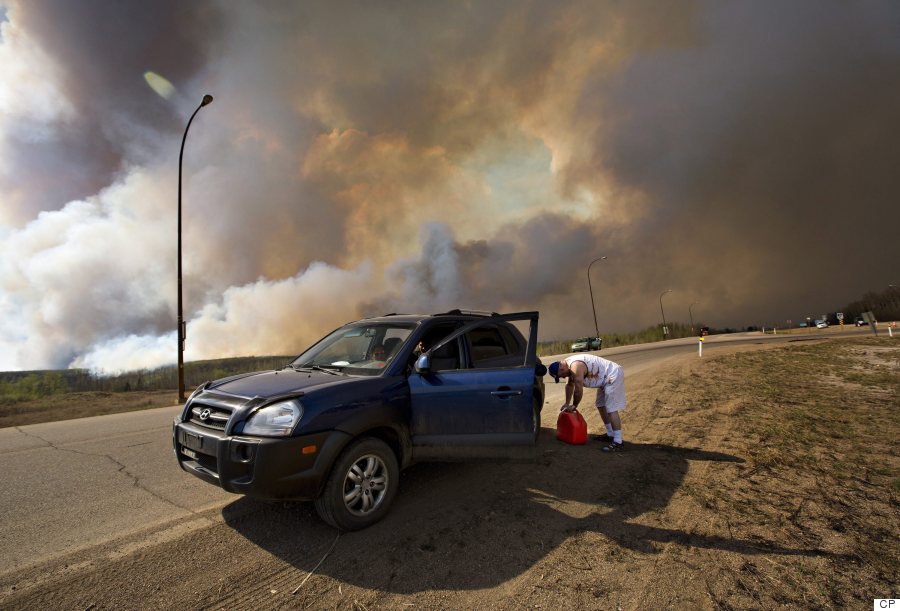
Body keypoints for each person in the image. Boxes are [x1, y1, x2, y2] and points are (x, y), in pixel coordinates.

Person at [548, 354, 626, 452]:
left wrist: (575, 405)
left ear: (562, 369)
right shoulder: (567, 366)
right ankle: (610, 434)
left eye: (561, 376)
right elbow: (569, 385)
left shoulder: (575, 367)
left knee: (611, 409)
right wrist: (566, 403)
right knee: (601, 405)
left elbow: (578, 390)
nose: (563, 377)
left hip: (612, 375)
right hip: (604, 379)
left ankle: (618, 442)